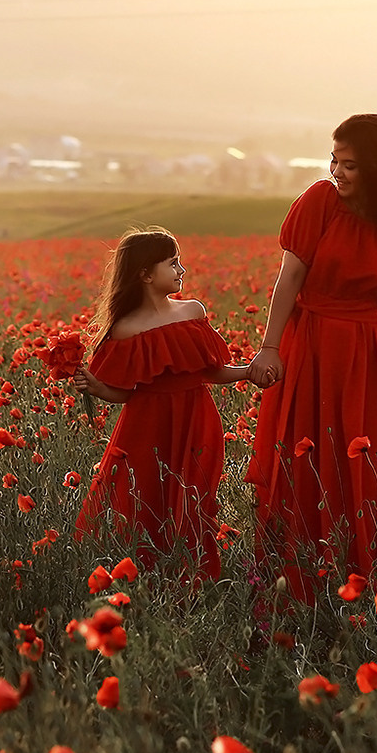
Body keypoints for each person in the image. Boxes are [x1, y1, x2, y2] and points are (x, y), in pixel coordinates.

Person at [245, 114, 377, 601]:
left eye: (349, 165)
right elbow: (290, 279)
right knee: (305, 461)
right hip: (311, 350)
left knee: (360, 468)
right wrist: (270, 346)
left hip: (366, 361)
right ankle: (295, 582)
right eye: (334, 161)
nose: (336, 172)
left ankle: (358, 584)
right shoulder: (319, 202)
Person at [75, 228, 253, 580]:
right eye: (172, 263)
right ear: (144, 274)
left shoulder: (191, 312)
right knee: (147, 501)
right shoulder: (125, 329)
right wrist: (96, 387)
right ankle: (147, 579)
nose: (181, 270)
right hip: (144, 429)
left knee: (194, 500)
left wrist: (249, 371)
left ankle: (196, 579)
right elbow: (128, 394)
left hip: (195, 422)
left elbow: (212, 372)